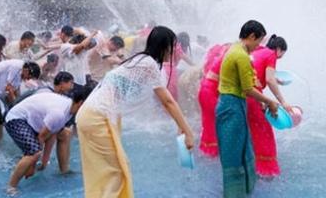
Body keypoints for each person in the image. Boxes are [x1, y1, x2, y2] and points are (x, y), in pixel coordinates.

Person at [76, 26, 195, 198]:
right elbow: (167, 101)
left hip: (95, 114)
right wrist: (188, 132)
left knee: (108, 171)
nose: (175, 50)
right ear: (164, 46)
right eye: (172, 46)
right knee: (116, 172)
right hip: (97, 116)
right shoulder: (149, 64)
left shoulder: (140, 60)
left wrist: (180, 125)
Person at [216, 20, 279, 198]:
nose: (258, 46)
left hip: (231, 104)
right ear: (251, 36)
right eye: (258, 42)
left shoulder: (235, 49)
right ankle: (234, 193)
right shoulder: (241, 55)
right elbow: (248, 89)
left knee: (241, 148)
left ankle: (242, 191)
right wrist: (271, 102)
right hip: (232, 107)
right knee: (234, 154)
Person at [5, 85, 91, 195]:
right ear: (81, 103)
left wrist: (44, 163)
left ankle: (64, 170)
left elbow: (52, 134)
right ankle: (11, 186)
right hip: (15, 119)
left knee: (65, 134)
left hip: (32, 121)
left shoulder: (69, 109)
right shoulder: (59, 113)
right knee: (34, 152)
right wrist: (32, 165)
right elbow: (41, 137)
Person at [247, 35, 291, 178]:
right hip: (253, 96)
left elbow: (260, 73)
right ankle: (266, 172)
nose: (279, 59)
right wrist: (283, 101)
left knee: (252, 131)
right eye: (281, 56)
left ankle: (251, 163)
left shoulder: (259, 50)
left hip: (243, 95)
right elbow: (269, 79)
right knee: (265, 133)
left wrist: (276, 80)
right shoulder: (271, 54)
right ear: (278, 49)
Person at [0, 60, 41, 148]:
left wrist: (18, 105)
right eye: (29, 77)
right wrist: (17, 107)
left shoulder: (20, 72)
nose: (27, 79)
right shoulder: (17, 67)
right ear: (27, 70)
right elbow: (9, 89)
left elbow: (16, 92)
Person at [198, 43, 230, 157]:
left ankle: (208, 149)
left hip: (204, 88)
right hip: (211, 91)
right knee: (219, 120)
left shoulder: (216, 52)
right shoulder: (228, 57)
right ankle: (215, 151)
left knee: (208, 121)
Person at [163, 32, 197, 102]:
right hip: (169, 73)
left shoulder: (170, 45)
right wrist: (199, 68)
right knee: (173, 98)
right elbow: (189, 61)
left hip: (161, 70)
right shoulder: (178, 48)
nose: (186, 48)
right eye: (186, 46)